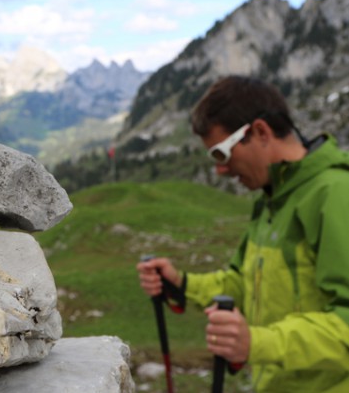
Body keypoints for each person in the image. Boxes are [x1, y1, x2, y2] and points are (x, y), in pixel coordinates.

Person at [136, 75, 349, 392]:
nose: (220, 170)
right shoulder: (270, 201)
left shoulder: (335, 193)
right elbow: (241, 282)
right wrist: (182, 283)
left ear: (260, 132)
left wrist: (256, 342)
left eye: (221, 154)